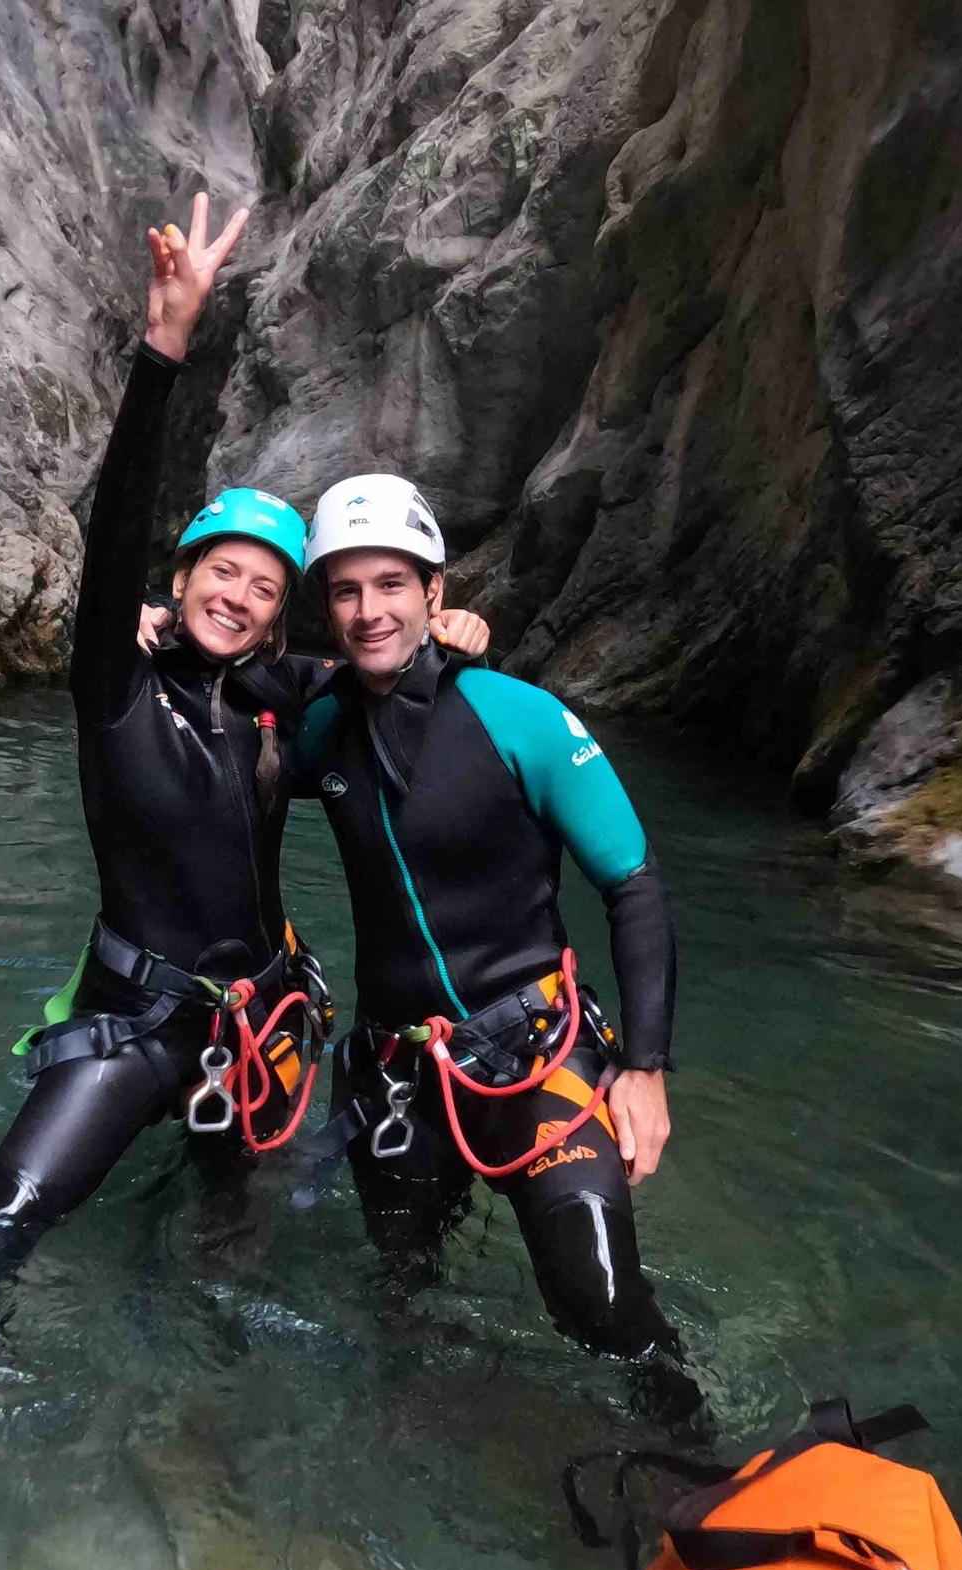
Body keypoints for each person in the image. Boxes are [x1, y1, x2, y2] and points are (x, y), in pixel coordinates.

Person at [0, 198, 487, 1353]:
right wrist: (163, 346)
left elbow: (383, 667)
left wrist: (452, 632)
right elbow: (114, 531)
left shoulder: (280, 703)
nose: (241, 595)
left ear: (280, 616)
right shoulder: (116, 685)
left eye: (267, 587)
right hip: (136, 1023)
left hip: (260, 1023)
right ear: (183, 575)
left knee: (232, 1237)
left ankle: (199, 1398)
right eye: (223, 572)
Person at [293, 474, 700, 1420]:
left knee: (602, 1310)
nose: (369, 610)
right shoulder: (322, 725)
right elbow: (239, 710)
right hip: (398, 1074)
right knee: (401, 1301)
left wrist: (645, 1066)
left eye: (393, 584)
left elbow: (632, 883)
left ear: (437, 593)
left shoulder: (523, 718)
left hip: (534, 1057)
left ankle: (697, 1475)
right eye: (347, 590)